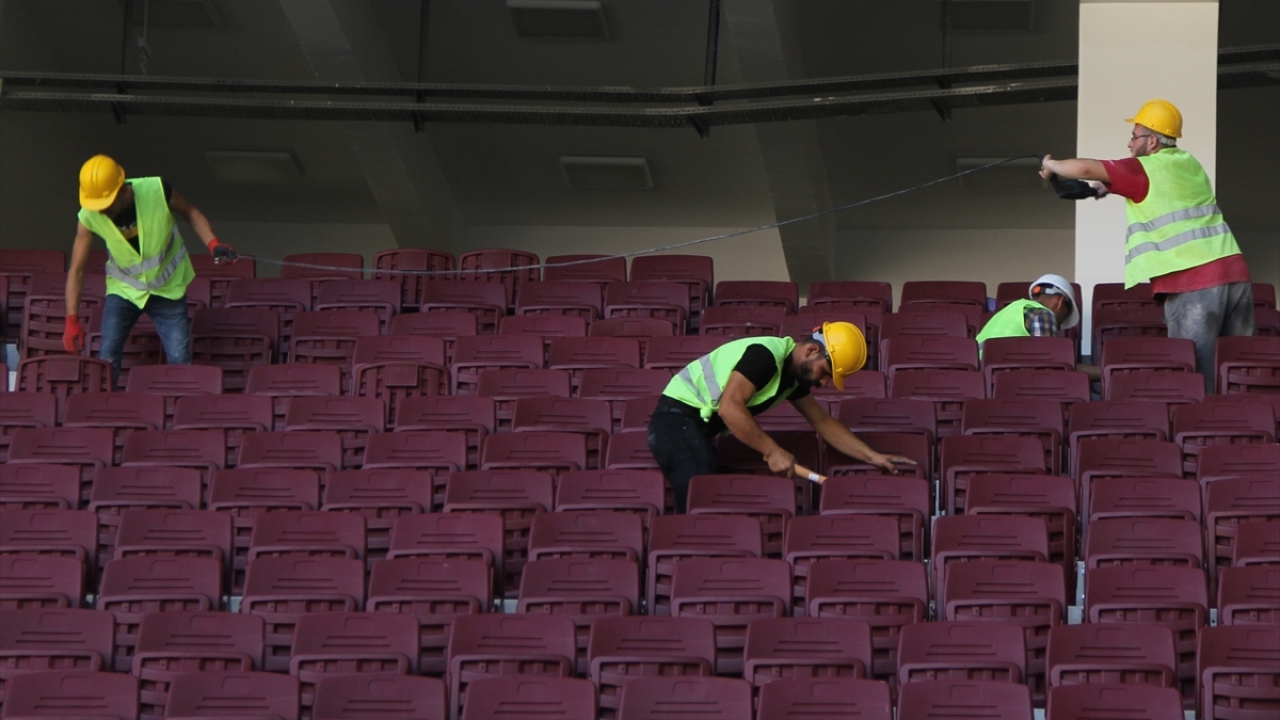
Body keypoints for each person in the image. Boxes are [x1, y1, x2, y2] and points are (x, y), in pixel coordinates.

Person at [1039, 99, 1254, 392]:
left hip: (1193, 281)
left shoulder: (1144, 168)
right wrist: (1103, 187)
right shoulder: (1188, 163)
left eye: (1134, 136)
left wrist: (1050, 165)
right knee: (1240, 368)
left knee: (1194, 373)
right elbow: (1161, 190)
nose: (1129, 143)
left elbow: (1085, 168)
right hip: (1235, 274)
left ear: (1152, 141)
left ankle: (1200, 421)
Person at [647, 321, 917, 512]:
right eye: (825, 373)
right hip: (675, 421)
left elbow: (822, 422)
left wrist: (872, 456)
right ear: (812, 351)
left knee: (702, 499)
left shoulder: (791, 378)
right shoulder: (765, 356)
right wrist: (773, 451)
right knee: (700, 500)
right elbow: (730, 408)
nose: (824, 383)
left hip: (693, 428)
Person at [63, 154, 239, 387]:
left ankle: (181, 405)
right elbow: (76, 270)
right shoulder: (89, 215)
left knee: (180, 359)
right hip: (124, 290)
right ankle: (104, 406)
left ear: (122, 190)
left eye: (106, 205)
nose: (101, 212)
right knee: (107, 357)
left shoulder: (157, 190)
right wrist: (71, 318)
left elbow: (190, 212)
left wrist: (212, 243)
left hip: (167, 289)